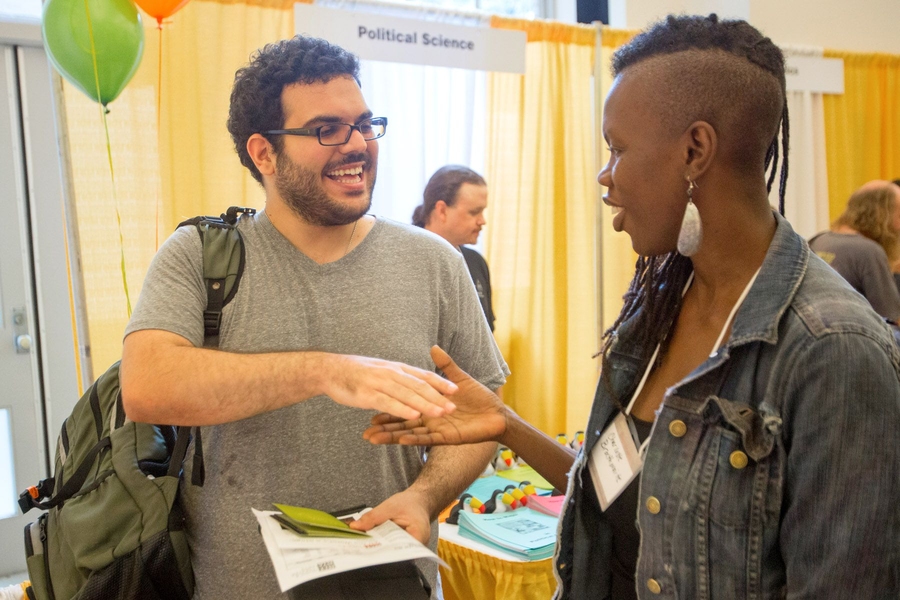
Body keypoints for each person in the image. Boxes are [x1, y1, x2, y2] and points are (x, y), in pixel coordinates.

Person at [365, 14, 900, 600]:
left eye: (617, 148)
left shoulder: (834, 351)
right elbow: (623, 496)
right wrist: (506, 424)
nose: (604, 174)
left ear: (695, 149)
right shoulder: (660, 306)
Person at [119, 36, 508, 599]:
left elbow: (484, 408)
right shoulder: (199, 256)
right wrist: (324, 372)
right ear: (263, 153)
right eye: (327, 130)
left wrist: (425, 496)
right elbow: (148, 385)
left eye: (365, 124)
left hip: (395, 580)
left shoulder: (433, 261)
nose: (357, 145)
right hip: (242, 586)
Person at [412, 165, 495, 331]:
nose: (482, 221)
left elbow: (488, 337)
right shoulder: (407, 261)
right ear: (442, 210)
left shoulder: (476, 262)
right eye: (474, 212)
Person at [808, 180, 900, 320]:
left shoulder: (818, 240)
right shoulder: (869, 251)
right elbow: (891, 320)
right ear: (881, 215)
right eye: (899, 215)